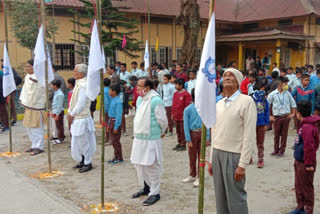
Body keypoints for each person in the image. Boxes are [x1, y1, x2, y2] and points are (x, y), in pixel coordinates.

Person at [209, 68, 257, 214]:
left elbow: (249, 135)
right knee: (220, 196)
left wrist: (242, 164)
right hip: (217, 153)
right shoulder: (218, 104)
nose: (227, 77)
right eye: (225, 75)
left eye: (231, 75)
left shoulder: (246, 101)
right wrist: (211, 159)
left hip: (234, 155)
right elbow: (214, 132)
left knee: (236, 198)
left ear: (238, 81)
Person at [130, 78, 168, 206]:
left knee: (152, 165)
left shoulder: (156, 100)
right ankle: (146, 187)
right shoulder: (140, 99)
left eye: (140, 86)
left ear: (147, 88)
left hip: (151, 139)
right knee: (139, 164)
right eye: (137, 86)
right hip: (139, 138)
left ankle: (155, 193)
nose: (137, 88)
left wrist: (161, 132)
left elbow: (163, 121)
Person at [289, 101, 320, 214]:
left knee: (307, 186)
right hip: (299, 160)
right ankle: (300, 206)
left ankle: (308, 210)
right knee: (298, 185)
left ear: (298, 113)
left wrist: (308, 164)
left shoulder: (308, 127)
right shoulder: (303, 125)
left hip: (305, 162)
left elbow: (309, 147)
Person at [68, 64, 96, 173]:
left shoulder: (83, 85)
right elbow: (73, 100)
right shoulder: (78, 84)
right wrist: (70, 111)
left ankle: (87, 162)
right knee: (77, 141)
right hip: (77, 117)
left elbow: (81, 103)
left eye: (75, 71)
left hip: (82, 117)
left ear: (80, 73)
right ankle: (82, 159)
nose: (73, 73)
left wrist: (72, 113)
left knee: (84, 141)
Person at [183, 88, 209, 187]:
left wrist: (207, 137)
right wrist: (188, 139)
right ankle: (192, 174)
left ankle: (199, 176)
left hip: (202, 132)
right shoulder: (188, 109)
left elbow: (207, 123)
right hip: (192, 133)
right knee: (192, 155)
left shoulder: (204, 109)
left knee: (201, 156)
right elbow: (185, 125)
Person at [19, 59, 46, 155]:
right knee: (28, 126)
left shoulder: (39, 77)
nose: (26, 68)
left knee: (36, 127)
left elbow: (39, 91)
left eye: (28, 66)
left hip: (35, 105)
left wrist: (31, 101)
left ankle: (39, 146)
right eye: (26, 66)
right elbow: (25, 90)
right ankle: (34, 145)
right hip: (28, 105)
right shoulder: (27, 76)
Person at [268, 76, 296, 157]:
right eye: (285, 84)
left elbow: (293, 104)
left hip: (286, 117)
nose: (287, 86)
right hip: (277, 117)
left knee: (284, 134)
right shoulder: (273, 94)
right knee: (276, 134)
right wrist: (270, 115)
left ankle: (282, 150)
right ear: (280, 85)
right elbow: (267, 105)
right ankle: (275, 149)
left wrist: (293, 114)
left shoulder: (287, 93)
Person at [250, 81, 269, 168]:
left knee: (260, 143)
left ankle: (260, 160)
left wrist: (266, 123)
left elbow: (267, 112)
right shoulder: (250, 99)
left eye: (263, 89)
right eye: (261, 89)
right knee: (249, 141)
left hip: (261, 124)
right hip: (251, 124)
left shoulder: (264, 100)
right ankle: (248, 157)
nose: (263, 91)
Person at [171, 78, 192, 151]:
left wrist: (186, 115)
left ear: (181, 85)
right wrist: (172, 113)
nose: (175, 86)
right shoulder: (175, 94)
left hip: (183, 116)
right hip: (176, 115)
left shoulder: (186, 94)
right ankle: (179, 142)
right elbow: (173, 104)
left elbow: (187, 106)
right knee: (178, 130)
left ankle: (183, 144)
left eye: (176, 84)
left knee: (183, 130)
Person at [48, 65, 67, 141]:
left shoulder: (54, 77)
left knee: (55, 121)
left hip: (54, 102)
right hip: (58, 100)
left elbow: (50, 91)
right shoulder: (61, 77)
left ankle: (56, 135)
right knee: (57, 122)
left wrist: (47, 99)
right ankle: (58, 134)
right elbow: (65, 88)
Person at [107, 84, 124, 164]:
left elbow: (118, 115)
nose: (109, 91)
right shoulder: (113, 100)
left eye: (110, 90)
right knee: (114, 141)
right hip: (111, 121)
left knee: (116, 141)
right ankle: (116, 156)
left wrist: (116, 126)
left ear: (114, 91)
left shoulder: (118, 102)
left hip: (115, 121)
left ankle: (119, 157)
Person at [50, 79, 65, 144]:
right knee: (58, 125)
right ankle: (60, 137)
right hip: (56, 111)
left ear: (55, 85)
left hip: (58, 112)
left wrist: (57, 114)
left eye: (52, 85)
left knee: (59, 126)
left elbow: (59, 105)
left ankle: (61, 138)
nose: (51, 86)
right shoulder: (56, 93)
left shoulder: (60, 94)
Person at [104, 78, 112, 144]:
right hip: (110, 109)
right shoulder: (110, 90)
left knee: (107, 124)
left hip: (107, 109)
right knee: (108, 124)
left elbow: (106, 102)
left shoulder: (104, 91)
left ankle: (108, 138)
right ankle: (107, 138)